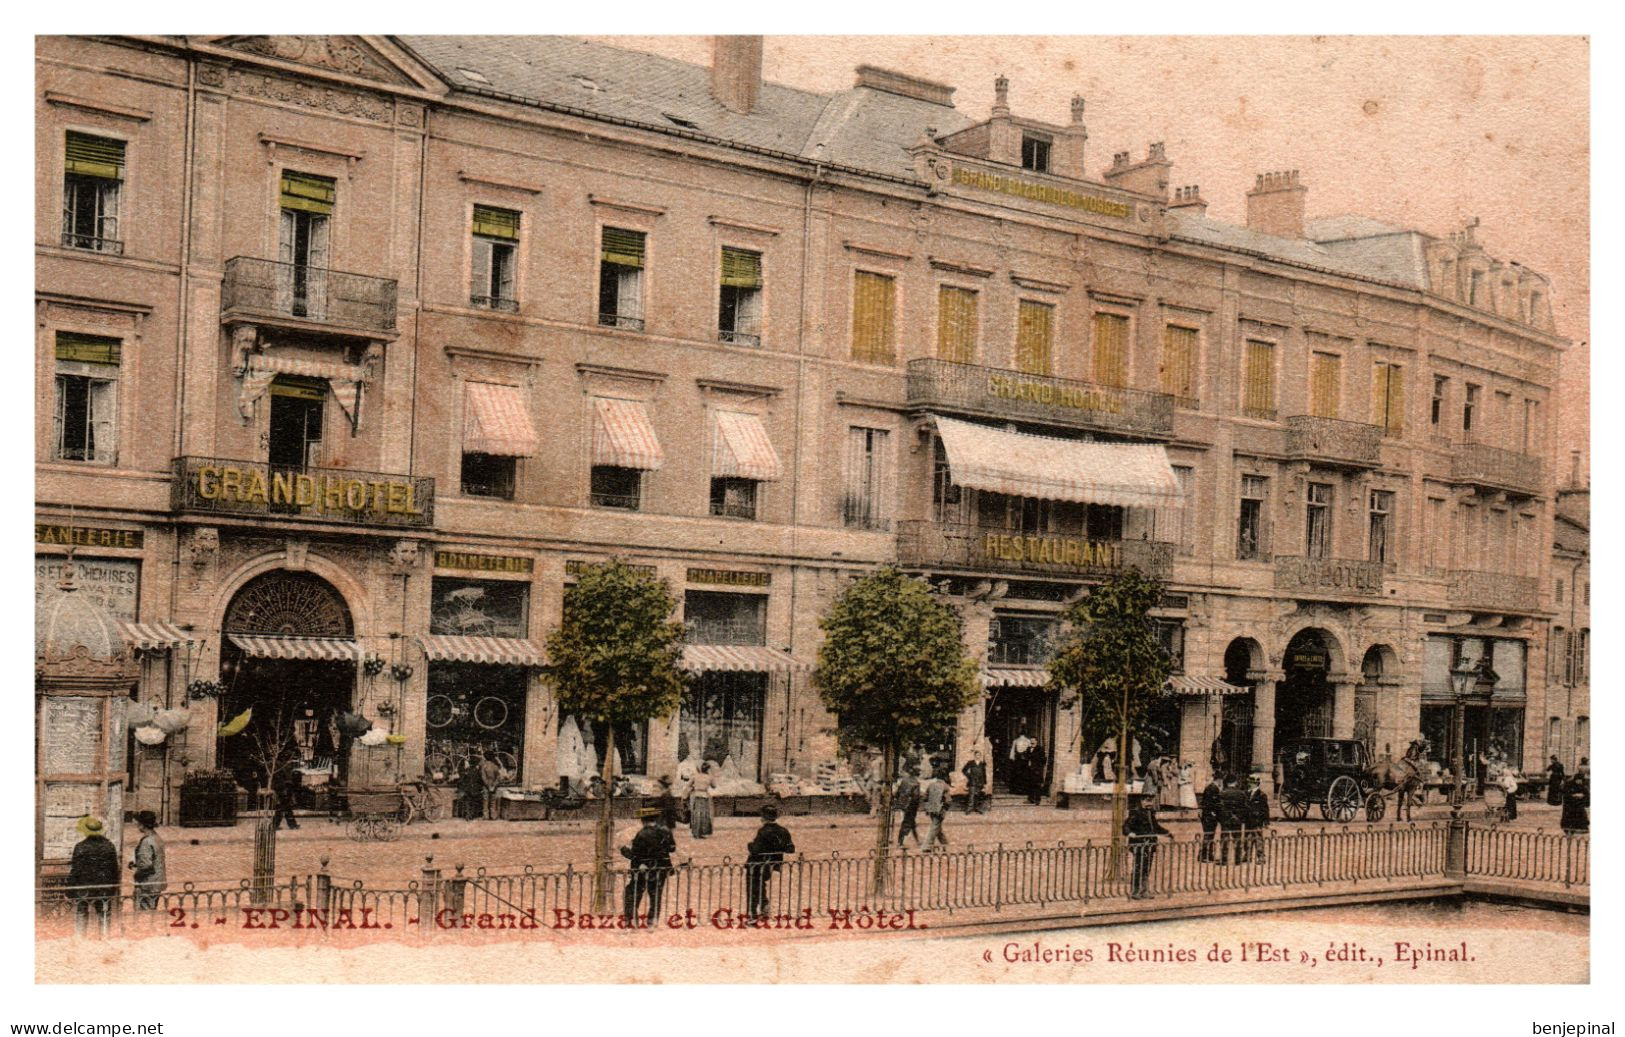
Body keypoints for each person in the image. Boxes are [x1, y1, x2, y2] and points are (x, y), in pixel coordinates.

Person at [620, 807, 676, 927]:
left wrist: (624, 850)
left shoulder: (641, 834)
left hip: (643, 869)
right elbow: (672, 848)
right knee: (655, 895)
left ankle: (630, 920)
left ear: (642, 820)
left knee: (632, 893)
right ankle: (652, 921)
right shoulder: (666, 831)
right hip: (661, 869)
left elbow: (636, 855)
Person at [67, 816, 120, 937]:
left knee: (81, 913)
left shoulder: (80, 847)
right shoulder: (109, 846)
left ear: (86, 831)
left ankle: (80, 939)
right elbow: (114, 869)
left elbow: (75, 870)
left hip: (84, 887)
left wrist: (70, 890)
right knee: (104, 914)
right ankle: (105, 937)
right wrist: (113, 888)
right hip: (104, 888)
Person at [745, 804, 796, 922]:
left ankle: (753, 914)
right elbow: (790, 848)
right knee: (760, 886)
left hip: (756, 865)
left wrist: (750, 845)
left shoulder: (763, 831)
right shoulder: (783, 830)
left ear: (764, 817)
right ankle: (764, 906)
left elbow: (756, 850)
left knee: (752, 888)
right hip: (771, 865)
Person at [1122, 793, 1171, 899]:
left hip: (1150, 845)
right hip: (1139, 845)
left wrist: (1167, 833)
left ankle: (1144, 891)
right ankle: (1135, 891)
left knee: (1146, 868)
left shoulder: (1151, 813)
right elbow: (1126, 825)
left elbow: (1156, 827)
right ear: (1142, 801)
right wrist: (1129, 833)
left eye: (1151, 801)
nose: (1150, 803)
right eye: (1148, 800)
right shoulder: (1136, 812)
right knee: (1138, 868)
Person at [128, 811, 166, 911]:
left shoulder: (146, 841)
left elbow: (146, 865)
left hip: (147, 885)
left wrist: (137, 874)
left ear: (143, 825)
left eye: (138, 823)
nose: (137, 825)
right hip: (157, 882)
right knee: (152, 910)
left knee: (144, 913)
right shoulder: (156, 837)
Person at [1218, 773, 1248, 865]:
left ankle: (1224, 860)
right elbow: (1244, 807)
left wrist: (1222, 818)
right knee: (1238, 839)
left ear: (1227, 783)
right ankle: (1237, 860)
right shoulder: (1241, 793)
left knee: (1225, 839)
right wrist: (1240, 817)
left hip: (1226, 820)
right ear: (1235, 782)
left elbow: (1220, 807)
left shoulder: (1222, 793)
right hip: (1237, 820)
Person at [921, 764, 951, 852]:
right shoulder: (945, 786)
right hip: (940, 810)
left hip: (931, 810)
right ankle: (927, 846)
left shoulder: (931, 785)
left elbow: (925, 797)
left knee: (937, 828)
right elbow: (948, 801)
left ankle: (945, 844)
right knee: (934, 827)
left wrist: (927, 807)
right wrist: (944, 809)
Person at [1243, 773, 1270, 863]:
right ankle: (1247, 855)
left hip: (1257, 821)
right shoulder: (1247, 793)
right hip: (1248, 820)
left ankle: (1261, 857)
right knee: (1247, 839)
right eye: (1249, 782)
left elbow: (1265, 809)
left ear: (1256, 783)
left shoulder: (1262, 795)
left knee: (1258, 839)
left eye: (1251, 782)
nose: (1249, 784)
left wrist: (1266, 821)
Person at [895, 764, 922, 847]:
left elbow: (898, 792)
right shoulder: (916, 783)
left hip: (903, 804)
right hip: (911, 805)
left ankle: (917, 840)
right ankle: (900, 841)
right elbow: (916, 796)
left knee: (911, 822)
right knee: (907, 822)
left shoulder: (904, 780)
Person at [1198, 773, 1222, 862]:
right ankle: (1204, 856)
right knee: (1208, 835)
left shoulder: (1209, 787)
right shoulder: (1213, 788)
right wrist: (1214, 813)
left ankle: (1208, 855)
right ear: (1219, 780)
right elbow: (1211, 803)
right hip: (1210, 815)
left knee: (1209, 835)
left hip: (1207, 814)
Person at [271, 758, 300, 831]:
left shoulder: (279, 766)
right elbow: (281, 779)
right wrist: (284, 788)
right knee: (284, 808)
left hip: (284, 788)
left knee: (284, 808)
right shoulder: (281, 767)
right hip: (284, 789)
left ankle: (277, 824)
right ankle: (291, 824)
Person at [1560, 763, 1589, 835]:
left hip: (1578, 804)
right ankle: (1569, 828)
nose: (1579, 782)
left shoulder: (1582, 785)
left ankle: (1581, 827)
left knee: (1580, 812)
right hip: (1570, 805)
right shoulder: (1569, 784)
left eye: (1581, 781)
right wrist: (1574, 795)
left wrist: (1583, 796)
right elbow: (1565, 794)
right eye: (1578, 780)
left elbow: (1587, 793)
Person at [688, 761, 715, 839]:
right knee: (704, 815)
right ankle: (702, 832)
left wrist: (695, 786)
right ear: (708, 769)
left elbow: (689, 785)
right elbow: (714, 786)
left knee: (696, 814)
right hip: (705, 795)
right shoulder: (709, 777)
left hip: (696, 795)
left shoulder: (695, 776)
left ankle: (695, 832)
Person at [479, 752, 502, 820]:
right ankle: (493, 815)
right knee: (493, 801)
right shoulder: (495, 766)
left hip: (486, 785)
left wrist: (488, 786)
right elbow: (498, 778)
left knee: (485, 801)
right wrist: (494, 786)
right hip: (493, 785)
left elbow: (483, 777)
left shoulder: (484, 766)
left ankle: (486, 816)